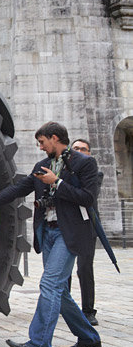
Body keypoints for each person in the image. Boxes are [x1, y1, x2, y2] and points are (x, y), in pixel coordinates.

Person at [0, 121, 101, 347]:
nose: (40, 147)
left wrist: (56, 183)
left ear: (55, 138)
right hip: (47, 233)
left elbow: (88, 198)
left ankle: (39, 345)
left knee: (49, 283)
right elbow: (17, 190)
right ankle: (88, 337)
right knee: (59, 290)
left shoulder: (84, 163)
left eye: (42, 142)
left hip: (70, 234)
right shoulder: (42, 166)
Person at [67, 138, 104, 326]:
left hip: (87, 226)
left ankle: (88, 311)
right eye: (76, 149)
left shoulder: (95, 174)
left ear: (89, 153)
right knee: (64, 270)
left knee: (84, 269)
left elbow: (86, 196)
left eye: (84, 149)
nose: (80, 151)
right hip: (68, 225)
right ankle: (64, 306)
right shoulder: (63, 171)